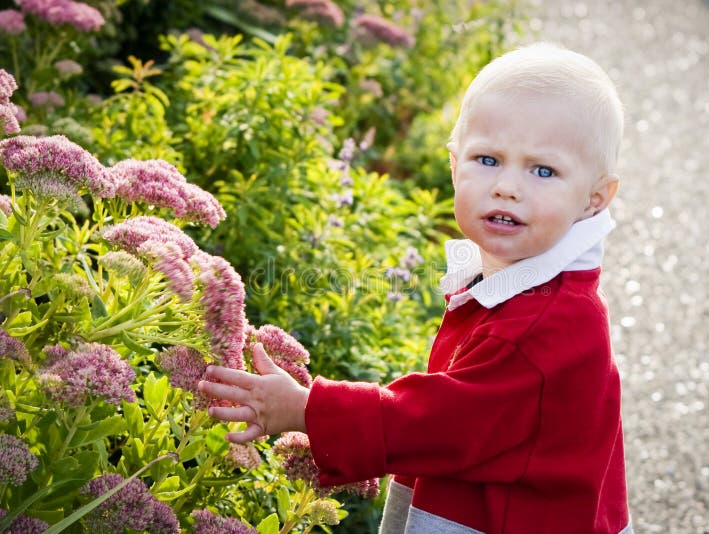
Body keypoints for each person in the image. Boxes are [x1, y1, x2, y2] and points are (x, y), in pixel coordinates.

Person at [199, 42, 632, 534]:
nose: (507, 186)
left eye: (542, 170)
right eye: (487, 159)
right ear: (454, 167)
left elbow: (443, 421)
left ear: (594, 199)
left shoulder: (547, 322)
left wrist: (307, 409)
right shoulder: (528, 285)